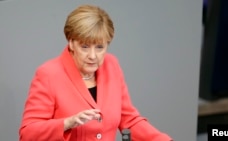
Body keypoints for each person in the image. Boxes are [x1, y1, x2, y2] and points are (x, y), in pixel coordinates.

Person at [19, 4, 173, 141]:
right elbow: (28, 134)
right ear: (71, 42)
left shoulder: (112, 65)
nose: (93, 56)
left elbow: (129, 119)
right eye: (85, 47)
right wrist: (67, 123)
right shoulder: (48, 74)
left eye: (99, 47)